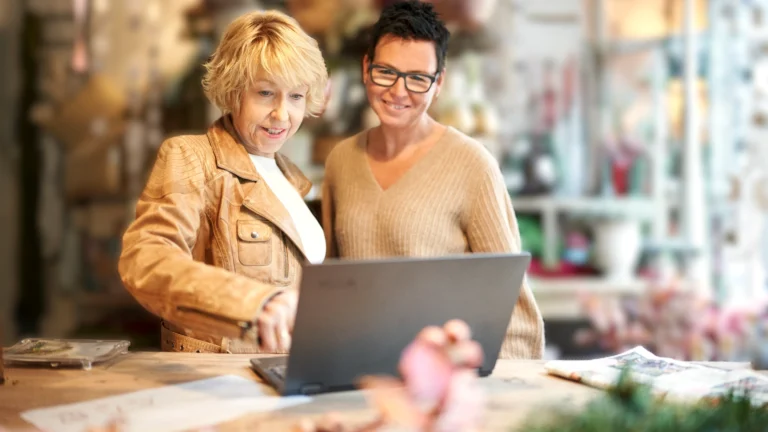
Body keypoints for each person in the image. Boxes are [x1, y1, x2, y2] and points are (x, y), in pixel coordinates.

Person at [321, 0, 545, 359]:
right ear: (366, 68)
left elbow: (513, 309)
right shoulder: (340, 163)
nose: (398, 91)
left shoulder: (473, 165)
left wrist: (501, 393)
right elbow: (330, 289)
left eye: (417, 78)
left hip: (440, 382)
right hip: (357, 376)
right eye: (386, 72)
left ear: (438, 83)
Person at [118, 10, 329, 354]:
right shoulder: (191, 157)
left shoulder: (293, 179)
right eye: (265, 93)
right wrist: (253, 304)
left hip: (292, 375)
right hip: (223, 381)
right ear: (234, 92)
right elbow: (145, 261)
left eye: (295, 96)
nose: (282, 114)